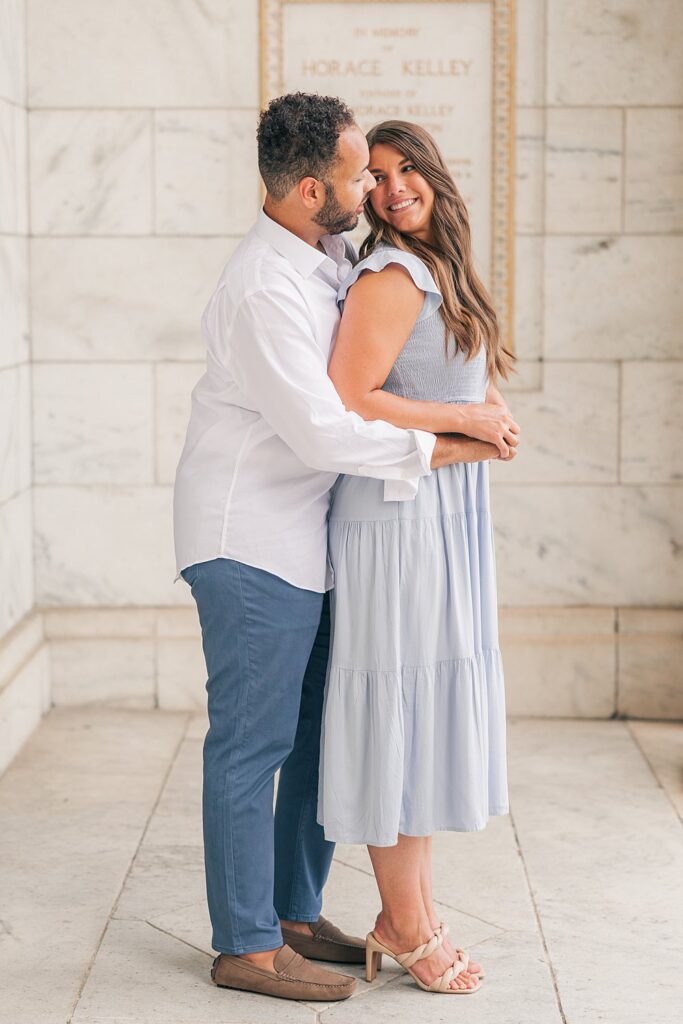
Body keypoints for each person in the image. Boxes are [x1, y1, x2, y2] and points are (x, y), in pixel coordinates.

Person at [172, 93, 518, 1003]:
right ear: (304, 188)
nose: (373, 184)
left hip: (309, 537)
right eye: (358, 172)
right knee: (252, 745)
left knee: (314, 737)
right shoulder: (263, 289)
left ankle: (292, 912)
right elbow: (331, 429)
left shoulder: (324, 254)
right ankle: (245, 946)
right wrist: (452, 440)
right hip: (249, 540)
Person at [316, 119, 516, 995]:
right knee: (397, 710)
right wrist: (469, 425)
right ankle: (405, 922)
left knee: (423, 709)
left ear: (435, 171)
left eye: (406, 170)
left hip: (441, 510)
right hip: (396, 512)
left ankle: (409, 915)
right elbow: (348, 396)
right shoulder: (391, 274)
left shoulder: (436, 270)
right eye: (377, 176)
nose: (393, 188)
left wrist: (486, 407)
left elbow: (449, 375)